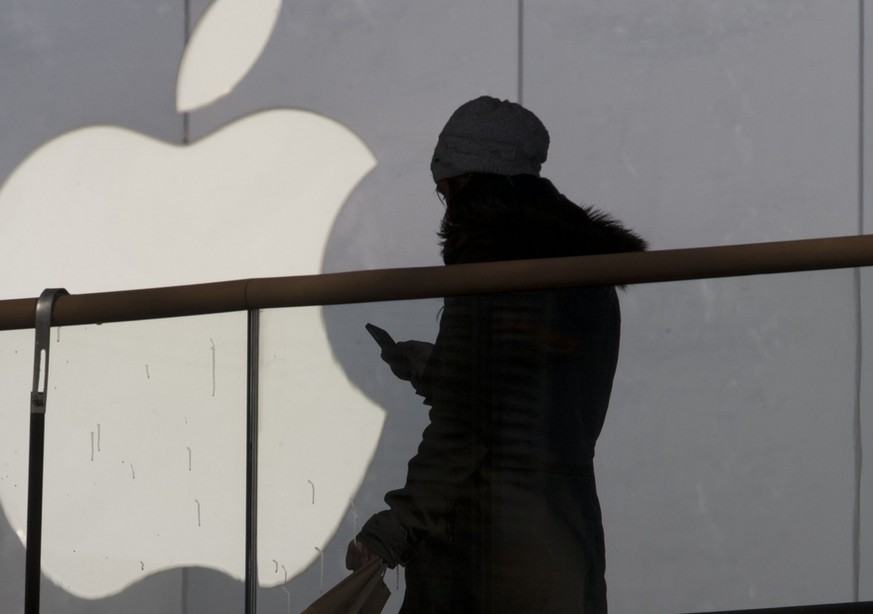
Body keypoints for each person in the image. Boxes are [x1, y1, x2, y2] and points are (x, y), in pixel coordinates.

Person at [347, 96, 646, 613]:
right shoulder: (580, 264)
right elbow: (532, 398)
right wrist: (441, 368)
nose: (444, 203)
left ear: (467, 181)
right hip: (563, 529)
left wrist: (392, 531)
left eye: (445, 189)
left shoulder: (492, 262)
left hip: (488, 540)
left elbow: (467, 429)